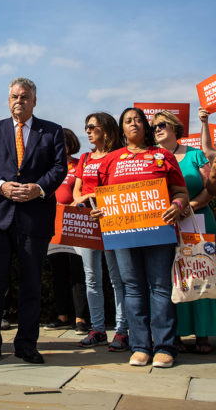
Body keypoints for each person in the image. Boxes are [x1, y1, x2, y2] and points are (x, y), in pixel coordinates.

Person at [0, 77, 67, 363]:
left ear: (34, 101)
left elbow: (59, 167)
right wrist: (1, 186)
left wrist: (38, 188)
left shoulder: (51, 132)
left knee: (31, 284)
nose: (19, 101)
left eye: (24, 97)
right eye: (14, 96)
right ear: (8, 100)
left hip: (34, 218)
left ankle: (26, 343)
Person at [90, 107, 189, 368]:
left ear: (145, 126)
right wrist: (97, 210)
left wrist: (177, 206)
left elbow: (181, 192)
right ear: (122, 129)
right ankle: (141, 346)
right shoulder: (111, 160)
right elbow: (97, 196)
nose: (133, 124)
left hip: (159, 232)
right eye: (127, 121)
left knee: (160, 287)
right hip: (123, 234)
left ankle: (165, 346)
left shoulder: (163, 155)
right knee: (132, 288)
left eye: (137, 120)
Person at [152, 109, 215, 354]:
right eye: (155, 126)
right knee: (170, 277)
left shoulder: (196, 155)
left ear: (175, 128)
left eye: (162, 124)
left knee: (200, 273)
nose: (157, 129)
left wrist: (189, 207)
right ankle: (174, 334)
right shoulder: (152, 157)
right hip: (166, 226)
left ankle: (202, 334)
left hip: (198, 221)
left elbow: (210, 188)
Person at [72, 112, 128, 351]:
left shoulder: (119, 156)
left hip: (112, 221)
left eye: (92, 126)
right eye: (86, 126)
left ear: (105, 129)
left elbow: (122, 189)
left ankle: (122, 330)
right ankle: (97, 329)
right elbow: (77, 192)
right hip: (88, 223)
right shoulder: (84, 158)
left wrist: (96, 197)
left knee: (118, 279)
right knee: (91, 277)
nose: (87, 130)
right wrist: (85, 198)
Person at [44, 128, 88, 334]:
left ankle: (80, 318)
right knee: (58, 272)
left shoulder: (80, 165)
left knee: (78, 272)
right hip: (54, 225)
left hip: (75, 224)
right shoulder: (49, 167)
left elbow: (84, 192)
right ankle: (62, 315)